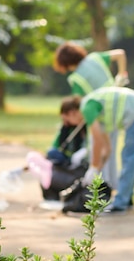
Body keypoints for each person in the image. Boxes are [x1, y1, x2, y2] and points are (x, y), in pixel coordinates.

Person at [53, 41, 129, 189]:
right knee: (110, 153)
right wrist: (121, 75)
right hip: (117, 107)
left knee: (100, 151)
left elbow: (80, 107)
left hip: (99, 116)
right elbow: (120, 54)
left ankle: (103, 190)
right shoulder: (95, 58)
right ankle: (113, 189)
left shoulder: (76, 79)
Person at [72, 86, 134, 213]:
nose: (72, 124)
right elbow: (107, 149)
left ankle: (120, 203)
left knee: (129, 157)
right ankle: (126, 198)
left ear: (72, 113)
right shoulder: (98, 111)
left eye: (67, 120)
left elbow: (96, 140)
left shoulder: (87, 107)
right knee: (129, 157)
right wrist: (98, 168)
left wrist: (93, 167)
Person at [25, 96, 88, 204]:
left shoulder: (87, 126)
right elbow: (55, 146)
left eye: (66, 118)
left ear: (73, 113)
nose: (65, 121)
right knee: (51, 154)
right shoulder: (66, 129)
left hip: (79, 163)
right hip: (66, 160)